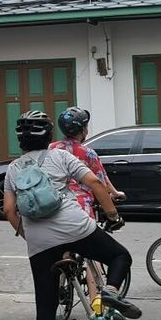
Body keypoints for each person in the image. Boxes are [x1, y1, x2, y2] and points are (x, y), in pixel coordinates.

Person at [1, 110, 143, 320]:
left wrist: (29, 236)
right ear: (49, 135)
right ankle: (110, 292)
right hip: (76, 227)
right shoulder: (61, 156)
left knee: (45, 304)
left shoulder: (13, 169)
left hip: (40, 241)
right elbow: (95, 183)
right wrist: (112, 215)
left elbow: (9, 210)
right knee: (120, 255)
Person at [49, 107, 124, 303]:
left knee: (63, 249)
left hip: (56, 207)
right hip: (81, 207)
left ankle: (61, 281)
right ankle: (95, 300)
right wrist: (115, 195)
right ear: (83, 130)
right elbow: (100, 180)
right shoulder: (88, 153)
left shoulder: (52, 148)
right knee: (93, 255)